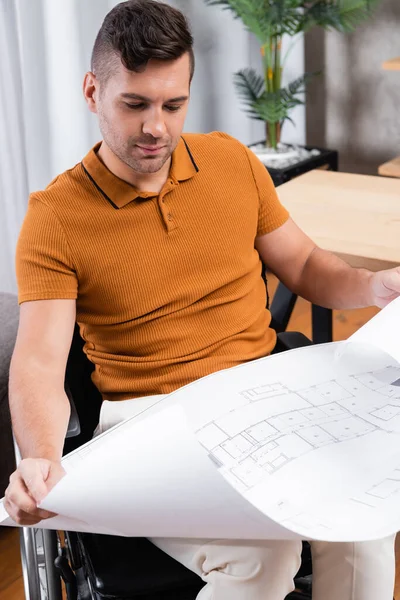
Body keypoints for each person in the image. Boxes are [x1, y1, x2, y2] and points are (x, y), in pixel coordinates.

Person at [4, 1, 398, 598]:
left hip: (263, 394)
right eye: (134, 104)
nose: (156, 127)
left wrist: (371, 287)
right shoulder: (56, 216)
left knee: (362, 526)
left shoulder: (232, 163)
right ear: (92, 91)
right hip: (150, 418)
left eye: (173, 104)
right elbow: (38, 359)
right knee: (262, 558)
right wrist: (38, 456)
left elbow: (307, 265)